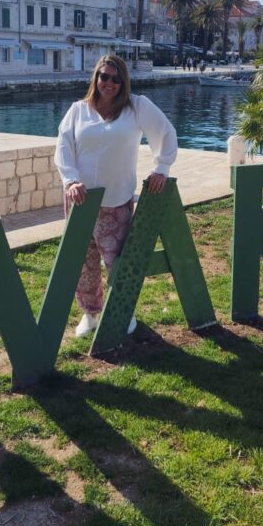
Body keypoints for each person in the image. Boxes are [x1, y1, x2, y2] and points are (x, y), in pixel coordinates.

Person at [55, 54, 178, 337]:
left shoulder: (137, 107)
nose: (109, 82)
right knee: (83, 262)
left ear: (124, 81)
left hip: (116, 199)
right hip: (80, 200)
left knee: (118, 261)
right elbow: (63, 145)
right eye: (104, 76)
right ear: (96, 78)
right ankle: (91, 314)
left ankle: (124, 309)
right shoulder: (78, 110)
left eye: (115, 78)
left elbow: (166, 132)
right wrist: (71, 180)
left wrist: (162, 167)